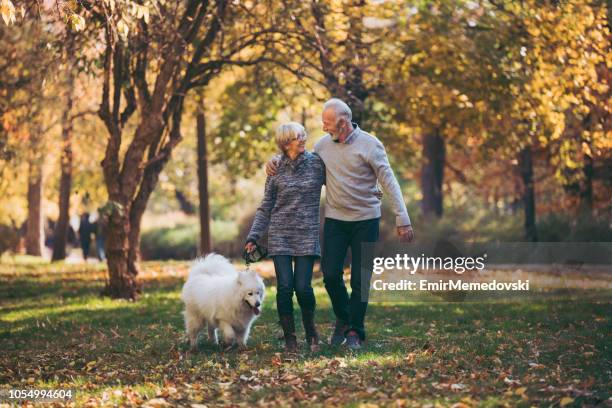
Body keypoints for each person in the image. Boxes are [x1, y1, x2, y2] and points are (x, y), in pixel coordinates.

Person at [266, 98, 414, 350]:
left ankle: (355, 331)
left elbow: (389, 182)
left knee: (361, 279)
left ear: (342, 123)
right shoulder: (322, 146)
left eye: (327, 123)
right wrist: (273, 161)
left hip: (366, 220)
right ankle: (345, 318)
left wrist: (403, 218)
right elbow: (300, 165)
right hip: (335, 220)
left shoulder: (371, 145)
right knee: (331, 275)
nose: (323, 128)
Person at [245, 122, 326, 353]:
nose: (303, 139)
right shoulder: (275, 168)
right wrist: (254, 236)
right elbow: (266, 206)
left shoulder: (317, 164)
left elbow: (340, 183)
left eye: (303, 135)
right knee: (285, 288)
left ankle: (311, 331)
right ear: (285, 143)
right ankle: (290, 337)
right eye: (297, 137)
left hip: (306, 234)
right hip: (280, 235)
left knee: (303, 288)